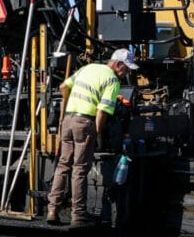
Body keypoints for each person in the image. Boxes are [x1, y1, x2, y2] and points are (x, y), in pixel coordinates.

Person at [45, 48, 135, 227]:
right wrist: (98, 132)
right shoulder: (112, 80)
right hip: (85, 123)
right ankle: (78, 215)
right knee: (80, 169)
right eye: (126, 68)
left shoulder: (88, 68)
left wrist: (69, 104)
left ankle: (52, 210)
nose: (128, 72)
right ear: (117, 64)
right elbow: (102, 111)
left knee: (63, 165)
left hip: (68, 120)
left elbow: (63, 86)